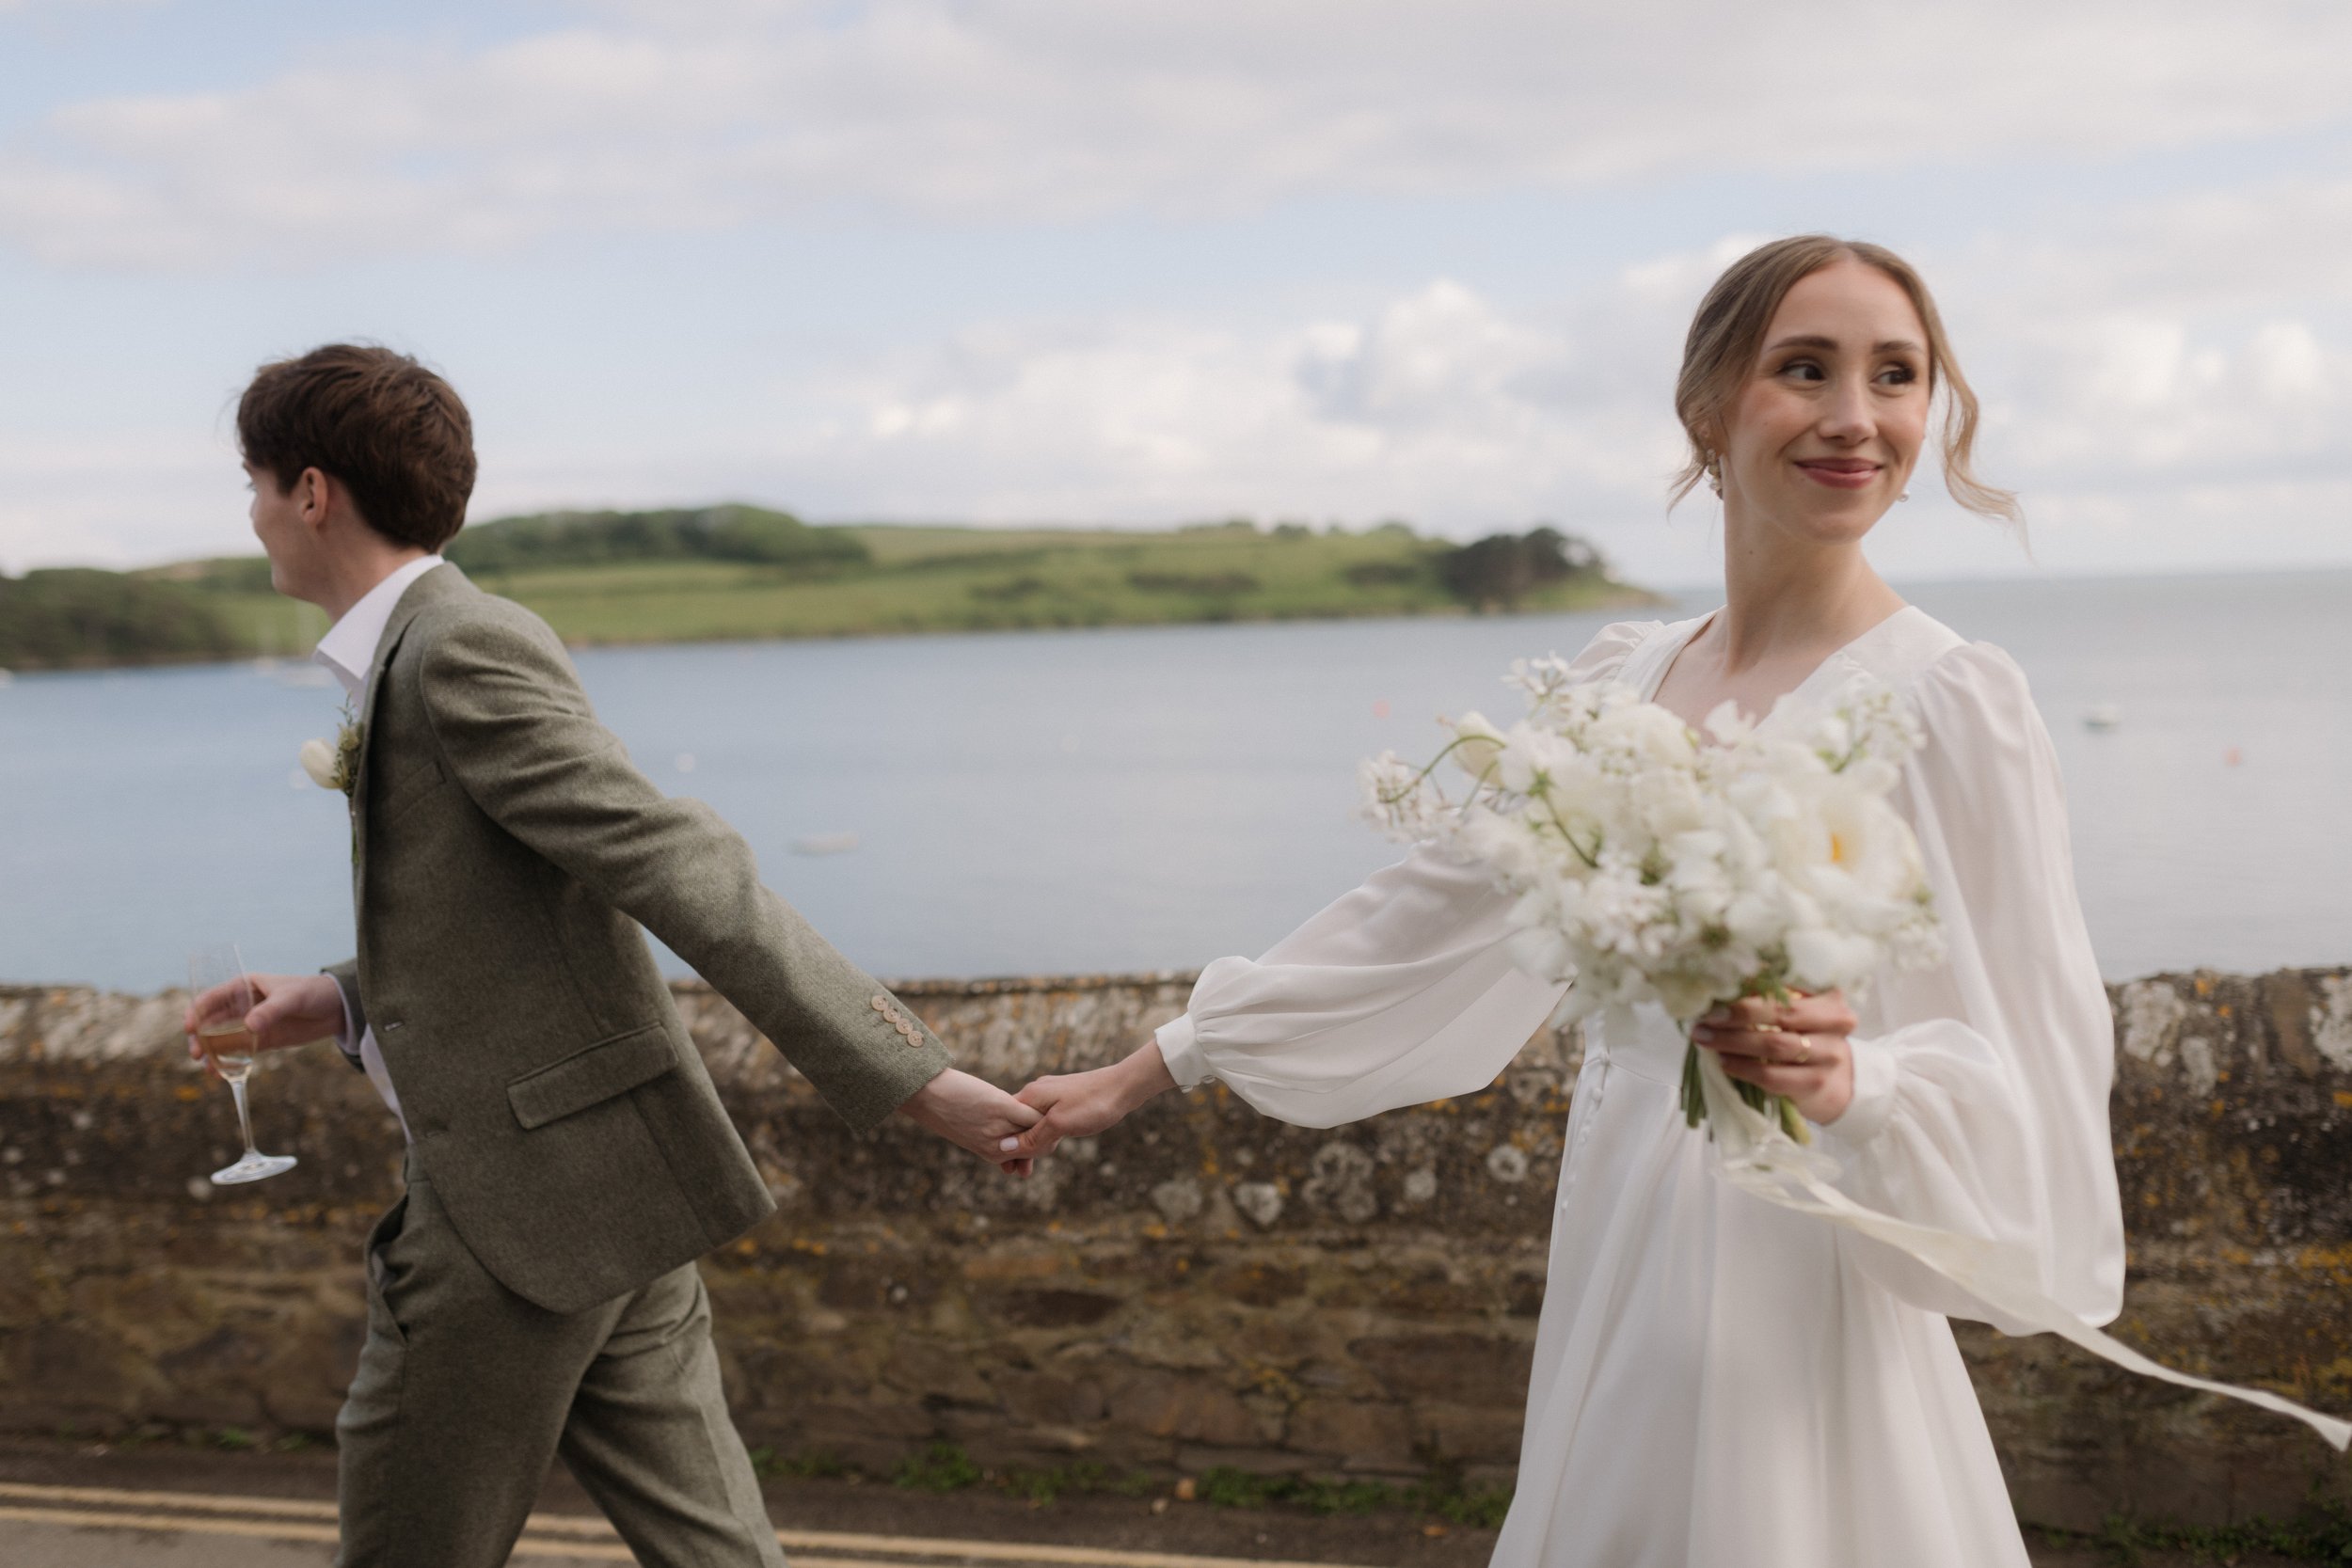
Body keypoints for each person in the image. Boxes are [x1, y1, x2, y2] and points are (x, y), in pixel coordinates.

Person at [1001, 237, 2126, 1566]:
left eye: (1897, 376)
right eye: (1803, 369)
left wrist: (1852, 1082)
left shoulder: (1948, 701)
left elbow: (2039, 1067)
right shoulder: (1621, 682)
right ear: (1710, 406)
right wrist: (1162, 1062)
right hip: (1619, 1250)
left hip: (1793, 1275)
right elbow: (1427, 916)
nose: (1855, 418)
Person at [182, 343, 1041, 1568]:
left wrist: (915, 1076)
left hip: (508, 1225)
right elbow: (522, 917)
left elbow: (680, 868)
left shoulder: (457, 648)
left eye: (257, 483)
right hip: (614, 1196)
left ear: (311, 492)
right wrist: (340, 999)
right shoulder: (430, 647)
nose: (254, 515)